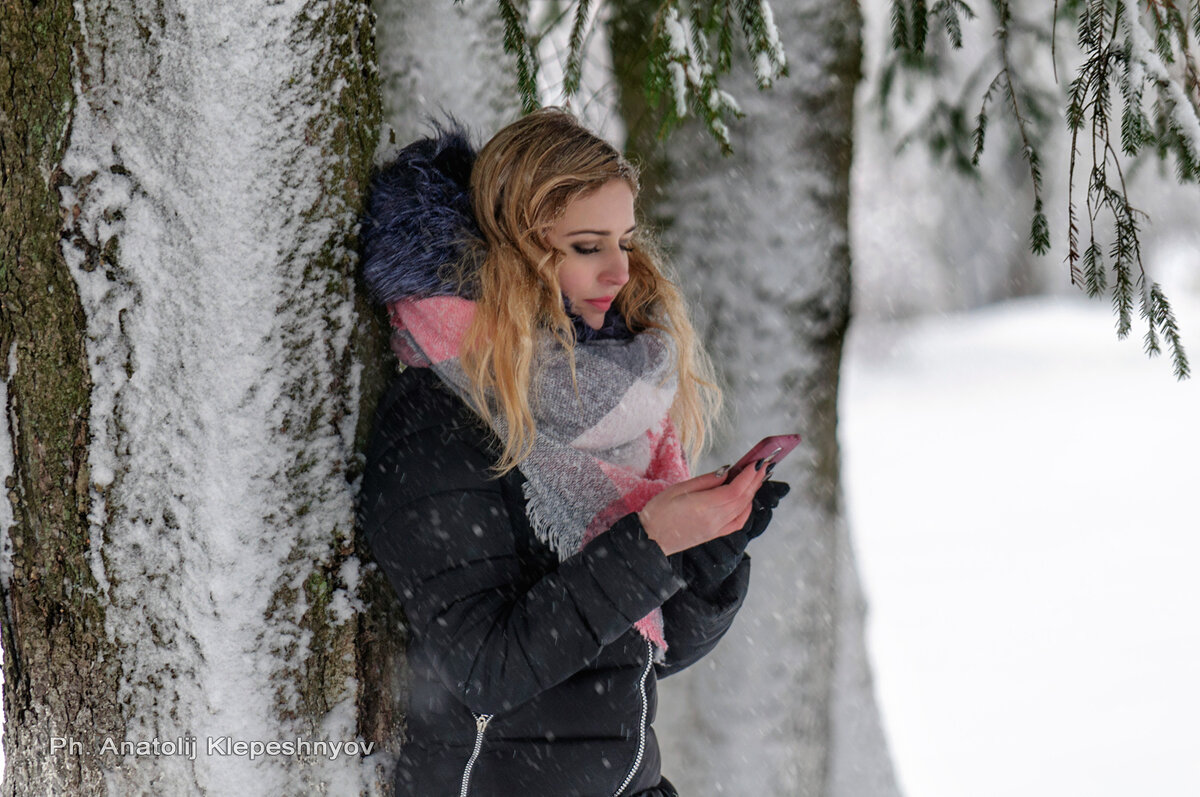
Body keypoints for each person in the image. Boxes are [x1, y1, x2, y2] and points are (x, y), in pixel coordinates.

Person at [358, 108, 790, 797]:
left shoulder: (609, 401)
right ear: (516, 255)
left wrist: (707, 560)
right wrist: (650, 543)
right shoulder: (440, 418)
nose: (622, 270)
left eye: (624, 239)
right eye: (589, 246)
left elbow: (635, 653)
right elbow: (486, 668)